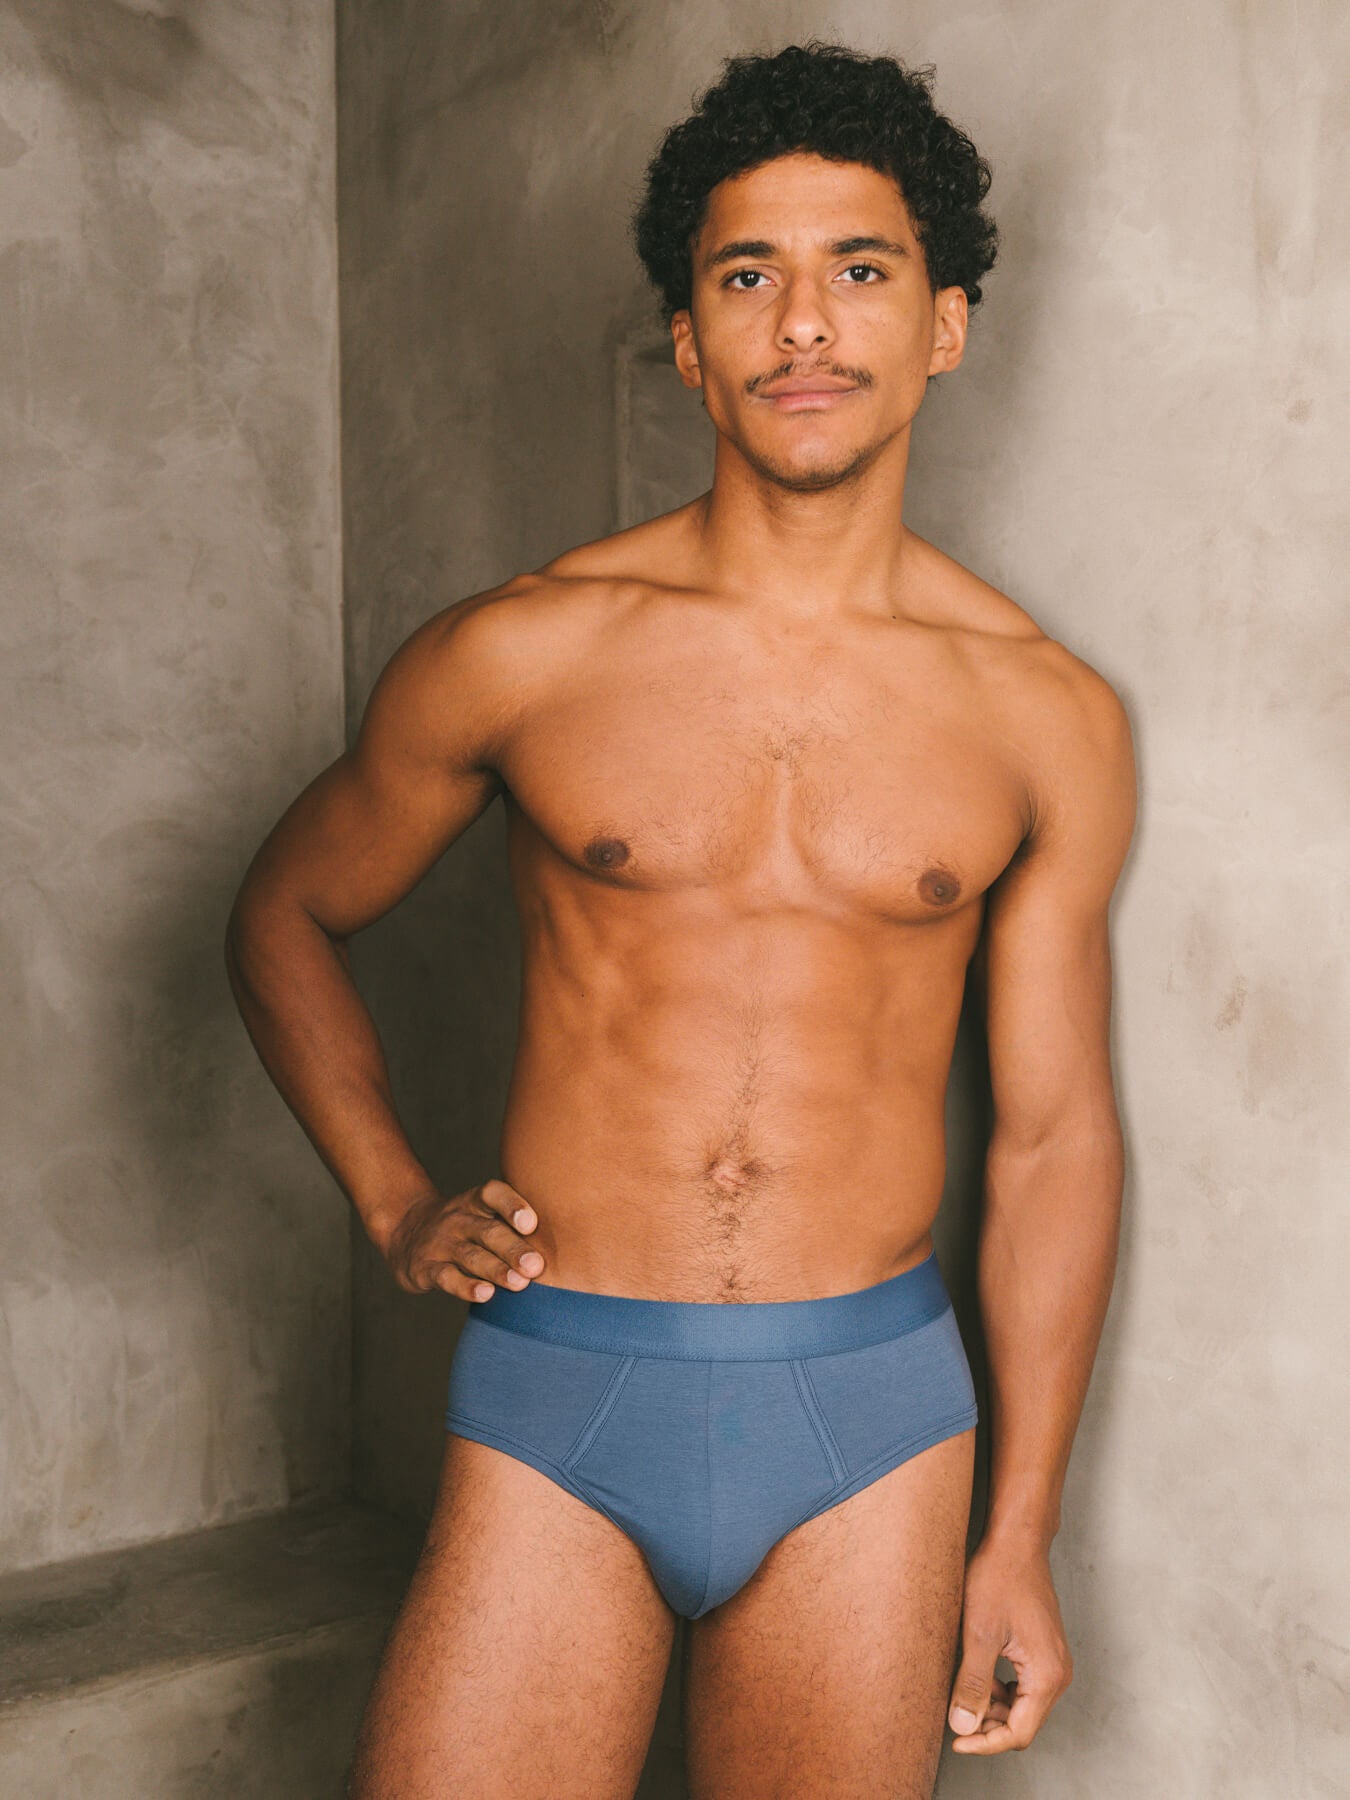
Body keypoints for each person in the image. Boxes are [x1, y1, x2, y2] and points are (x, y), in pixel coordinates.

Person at [226, 40, 1135, 1800]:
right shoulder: (523, 649)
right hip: (563, 1393)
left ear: (942, 324)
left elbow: (1050, 1138)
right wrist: (395, 1198)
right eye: (745, 277)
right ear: (687, 338)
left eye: (857, 270)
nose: (802, 325)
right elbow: (282, 910)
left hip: (871, 1423)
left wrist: (1018, 1532)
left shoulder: (1044, 716)